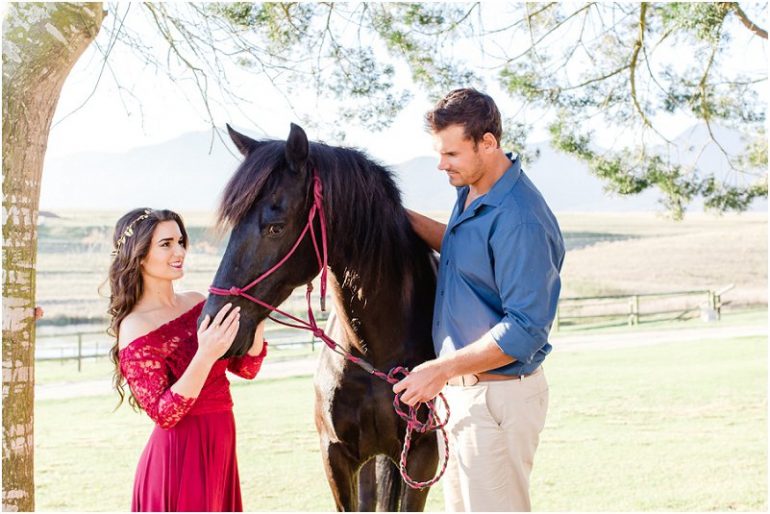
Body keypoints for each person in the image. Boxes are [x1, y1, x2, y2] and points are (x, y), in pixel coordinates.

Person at [393, 88, 565, 512]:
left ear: (487, 143)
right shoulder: (473, 192)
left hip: (496, 400)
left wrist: (440, 369)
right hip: (465, 395)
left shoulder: (520, 218)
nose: (441, 164)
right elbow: (462, 250)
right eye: (439, 153)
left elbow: (525, 329)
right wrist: (397, 215)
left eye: (452, 153)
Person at [107, 208, 268, 512]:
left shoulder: (198, 302)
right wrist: (204, 355)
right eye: (166, 244)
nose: (179, 251)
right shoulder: (135, 326)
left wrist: (259, 317)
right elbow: (164, 414)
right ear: (139, 255)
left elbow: (246, 367)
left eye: (180, 241)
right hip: (179, 456)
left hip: (221, 441)